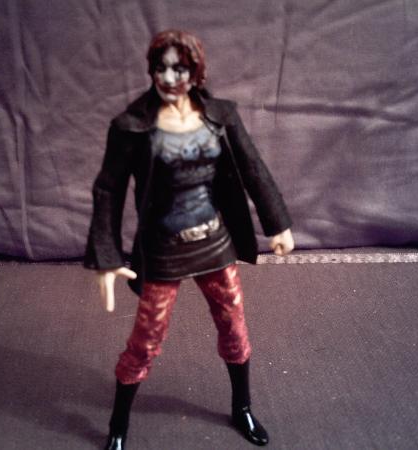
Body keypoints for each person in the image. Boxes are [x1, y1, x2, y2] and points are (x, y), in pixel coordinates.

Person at [84, 29, 295, 450]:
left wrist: (277, 224)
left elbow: (253, 168)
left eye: (179, 68)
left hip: (215, 244)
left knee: (234, 326)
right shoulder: (132, 126)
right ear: (151, 70)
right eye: (160, 68)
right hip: (163, 251)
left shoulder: (220, 116)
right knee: (145, 341)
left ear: (196, 71)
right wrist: (106, 257)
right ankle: (118, 426)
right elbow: (109, 189)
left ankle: (242, 407)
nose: (168, 77)